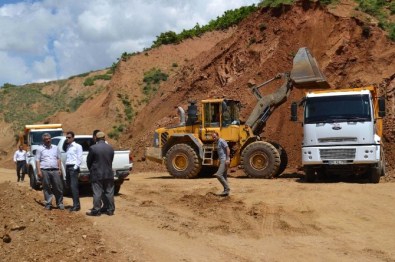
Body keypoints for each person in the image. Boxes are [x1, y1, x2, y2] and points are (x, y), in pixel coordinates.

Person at [86, 132, 115, 216]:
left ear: (96, 138)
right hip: (108, 173)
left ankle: (96, 210)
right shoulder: (110, 148)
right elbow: (111, 160)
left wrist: (91, 170)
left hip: (97, 174)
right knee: (109, 192)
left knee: (97, 192)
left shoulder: (93, 148)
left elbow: (89, 162)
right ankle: (110, 210)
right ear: (104, 138)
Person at [35, 133, 64, 210]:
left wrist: (60, 169)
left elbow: (58, 158)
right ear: (43, 140)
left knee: (58, 187)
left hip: (55, 170)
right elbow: (37, 160)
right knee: (46, 187)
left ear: (51, 139)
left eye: (49, 139)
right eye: (46, 139)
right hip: (44, 170)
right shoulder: (40, 149)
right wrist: (39, 171)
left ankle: (59, 203)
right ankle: (48, 203)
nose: (48, 140)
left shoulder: (55, 147)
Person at [65, 131, 83, 212]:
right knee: (69, 186)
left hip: (73, 168)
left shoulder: (77, 146)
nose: (67, 139)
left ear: (73, 138)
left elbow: (79, 157)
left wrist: (75, 168)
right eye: (67, 137)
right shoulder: (68, 146)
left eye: (69, 137)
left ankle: (76, 205)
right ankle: (75, 204)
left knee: (74, 187)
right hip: (68, 167)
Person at [212, 131, 230, 196]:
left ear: (217, 136)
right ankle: (226, 192)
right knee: (224, 176)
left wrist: (227, 159)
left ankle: (227, 189)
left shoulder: (221, 141)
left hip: (224, 160)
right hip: (222, 160)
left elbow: (228, 149)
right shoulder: (217, 142)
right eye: (213, 137)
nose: (213, 138)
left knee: (218, 175)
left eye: (214, 137)